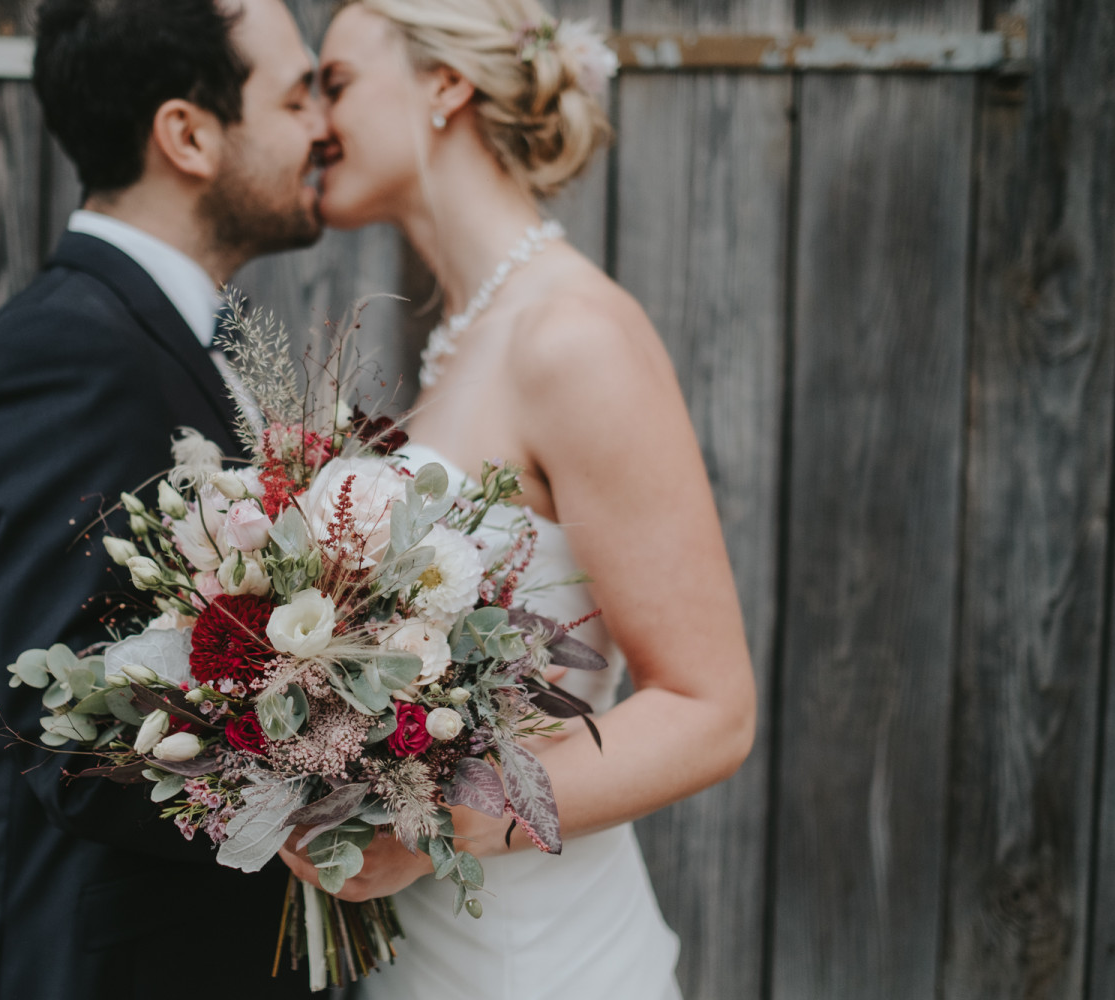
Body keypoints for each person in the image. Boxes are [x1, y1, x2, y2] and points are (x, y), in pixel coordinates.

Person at [276, 1, 758, 997]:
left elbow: (710, 709)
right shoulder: (463, 343)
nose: (315, 120)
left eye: (337, 81)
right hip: (428, 955)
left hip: (541, 962)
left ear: (445, 85)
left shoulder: (572, 335)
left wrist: (431, 818)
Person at [0, 1, 329, 997]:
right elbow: (78, 739)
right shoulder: (66, 353)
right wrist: (363, 771)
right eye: (296, 95)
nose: (325, 125)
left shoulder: (186, 337)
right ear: (188, 134)